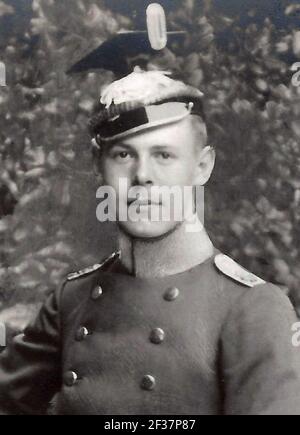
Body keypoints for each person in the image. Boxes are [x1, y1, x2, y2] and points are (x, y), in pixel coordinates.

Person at [1, 65, 300, 416]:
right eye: (123, 154)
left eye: (164, 155)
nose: (142, 176)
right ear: (100, 167)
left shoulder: (254, 309)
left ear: (202, 167)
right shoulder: (72, 300)